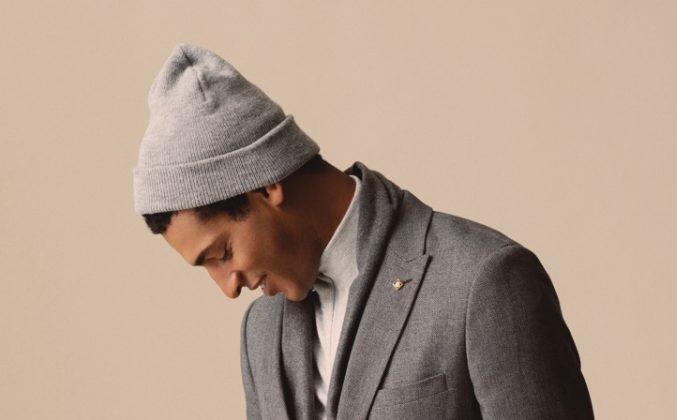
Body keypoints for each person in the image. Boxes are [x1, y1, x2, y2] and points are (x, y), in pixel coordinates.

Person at [133, 43, 595, 420]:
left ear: (266, 185)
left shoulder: (484, 281)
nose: (228, 287)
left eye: (222, 253)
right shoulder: (261, 330)